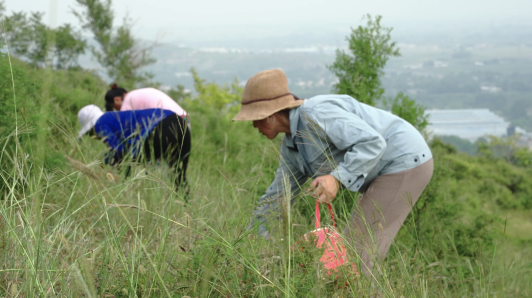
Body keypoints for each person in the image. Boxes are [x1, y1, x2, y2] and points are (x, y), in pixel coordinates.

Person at [232, 69, 433, 277]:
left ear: (271, 116)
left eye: (256, 118)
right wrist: (251, 240)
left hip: (403, 161)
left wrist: (337, 178)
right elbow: (277, 196)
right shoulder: (291, 146)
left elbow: (373, 143)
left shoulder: (316, 113)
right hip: (387, 168)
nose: (254, 125)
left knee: (355, 255)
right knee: (348, 254)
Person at [78, 104, 192, 198]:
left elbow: (119, 150)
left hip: (160, 127)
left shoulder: (100, 123)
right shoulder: (114, 116)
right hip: (182, 125)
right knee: (179, 175)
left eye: (89, 133)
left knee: (127, 162)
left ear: (91, 127)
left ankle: (123, 197)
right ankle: (186, 206)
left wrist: (103, 163)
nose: (93, 136)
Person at [104, 84, 188, 118]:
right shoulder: (136, 94)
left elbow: (124, 125)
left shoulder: (128, 100)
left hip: (170, 121)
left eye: (115, 107)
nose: (118, 110)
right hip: (184, 118)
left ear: (117, 100)